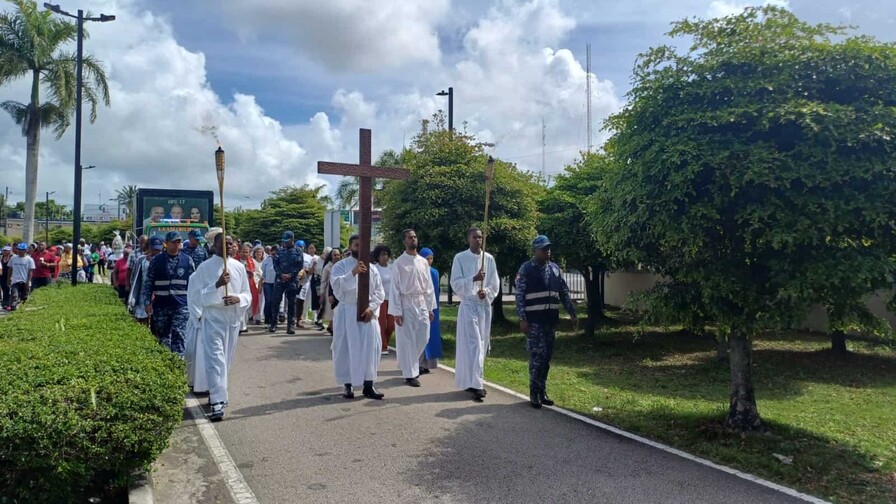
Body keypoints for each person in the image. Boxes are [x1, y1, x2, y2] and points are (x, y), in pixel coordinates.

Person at [515, 235, 578, 409]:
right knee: (538, 356)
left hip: (550, 320)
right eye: (543, 249)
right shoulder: (526, 269)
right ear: (534, 250)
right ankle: (534, 392)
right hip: (534, 321)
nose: (547, 251)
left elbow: (563, 292)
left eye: (548, 248)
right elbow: (519, 296)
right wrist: (522, 319)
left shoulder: (555, 269)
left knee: (547, 357)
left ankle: (542, 391)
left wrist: (572, 314)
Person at [194, 232, 251, 421]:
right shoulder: (204, 268)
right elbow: (199, 297)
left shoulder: (238, 267)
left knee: (226, 359)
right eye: (223, 243)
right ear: (215, 245)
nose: (227, 246)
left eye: (230, 243)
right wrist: (217, 285)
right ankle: (218, 402)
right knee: (215, 358)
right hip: (213, 318)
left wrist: (238, 299)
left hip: (232, 319)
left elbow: (247, 294)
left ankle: (217, 390)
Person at [330, 234, 385, 400]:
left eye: (363, 245)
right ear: (350, 246)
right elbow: (337, 288)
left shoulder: (373, 268)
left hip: (368, 314)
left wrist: (372, 308)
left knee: (371, 348)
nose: (359, 248)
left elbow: (379, 292)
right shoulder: (340, 266)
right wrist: (352, 273)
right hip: (347, 312)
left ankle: (369, 385)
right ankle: (347, 385)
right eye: (356, 245)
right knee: (346, 348)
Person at [450, 227, 500, 401]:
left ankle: (473, 380)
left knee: (482, 343)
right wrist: (474, 279)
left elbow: (495, 283)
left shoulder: (489, 259)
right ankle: (478, 385)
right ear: (468, 239)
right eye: (474, 237)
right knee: (474, 344)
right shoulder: (460, 258)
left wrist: (485, 291)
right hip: (469, 305)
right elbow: (455, 283)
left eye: (480, 237)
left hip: (483, 307)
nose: (478, 240)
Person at [388, 230, 436, 387]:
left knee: (424, 336)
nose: (413, 239)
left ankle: (409, 363)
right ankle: (410, 373)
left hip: (421, 302)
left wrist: (430, 309)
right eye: (410, 237)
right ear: (404, 242)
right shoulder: (399, 263)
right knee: (407, 339)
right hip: (406, 303)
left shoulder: (423, 262)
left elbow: (429, 287)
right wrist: (397, 312)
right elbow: (394, 288)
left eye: (415, 236)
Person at [142, 232, 195, 355]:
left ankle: (178, 366)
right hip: (161, 305)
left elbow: (194, 284)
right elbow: (148, 283)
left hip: (181, 305)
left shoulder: (187, 261)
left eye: (178, 242)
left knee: (179, 335)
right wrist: (147, 302)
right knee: (164, 337)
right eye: (173, 242)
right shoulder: (156, 261)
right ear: (166, 243)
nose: (176, 245)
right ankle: (167, 365)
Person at [271, 231, 303, 334]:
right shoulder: (279, 251)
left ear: (292, 240)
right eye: (284, 241)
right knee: (276, 302)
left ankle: (290, 326)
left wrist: (290, 275)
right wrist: (281, 274)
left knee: (291, 303)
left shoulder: (298, 251)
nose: (285, 243)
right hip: (280, 279)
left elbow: (299, 265)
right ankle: (273, 324)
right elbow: (275, 264)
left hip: (292, 280)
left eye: (287, 241)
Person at [419, 247, 443, 373]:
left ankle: (429, 363)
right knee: (422, 334)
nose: (429, 261)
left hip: (434, 306)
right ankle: (420, 363)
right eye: (427, 258)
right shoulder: (419, 271)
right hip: (422, 306)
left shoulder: (435, 272)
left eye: (431, 258)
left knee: (432, 335)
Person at [371, 244, 395, 355]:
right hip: (380, 299)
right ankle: (383, 346)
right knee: (381, 323)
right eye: (382, 255)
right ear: (377, 256)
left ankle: (384, 341)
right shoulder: (375, 268)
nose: (384, 257)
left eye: (386, 254)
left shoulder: (392, 267)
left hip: (392, 299)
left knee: (391, 324)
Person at [318, 248, 340, 335]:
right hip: (329, 292)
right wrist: (322, 294)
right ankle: (332, 329)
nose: (336, 257)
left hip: (339, 291)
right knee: (331, 311)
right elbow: (323, 281)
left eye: (338, 255)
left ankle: (331, 327)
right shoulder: (327, 267)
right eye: (334, 255)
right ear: (331, 256)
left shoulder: (341, 265)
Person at [7, 243, 35, 311]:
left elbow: (30, 272)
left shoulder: (29, 259)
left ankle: (22, 310)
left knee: (24, 297)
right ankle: (13, 309)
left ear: (25, 250)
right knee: (14, 295)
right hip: (15, 281)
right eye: (19, 249)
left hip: (25, 281)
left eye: (22, 250)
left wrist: (28, 282)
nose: (20, 251)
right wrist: (8, 280)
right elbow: (10, 269)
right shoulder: (13, 258)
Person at [238, 243, 259, 331]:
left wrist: (252, 274)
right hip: (238, 287)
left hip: (249, 286)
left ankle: (244, 324)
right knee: (240, 306)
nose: (245, 254)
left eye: (247, 252)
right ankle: (241, 325)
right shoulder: (235, 261)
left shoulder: (253, 262)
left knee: (247, 306)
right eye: (243, 252)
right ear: (239, 252)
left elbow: (259, 273)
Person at [261, 244, 278, 326]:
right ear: (270, 252)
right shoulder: (266, 260)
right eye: (273, 254)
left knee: (275, 302)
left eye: (276, 254)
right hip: (267, 283)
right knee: (268, 301)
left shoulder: (280, 260)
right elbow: (262, 273)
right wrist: (261, 283)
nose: (274, 255)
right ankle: (267, 319)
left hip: (277, 283)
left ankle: (273, 320)